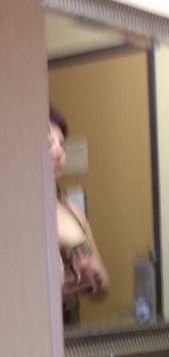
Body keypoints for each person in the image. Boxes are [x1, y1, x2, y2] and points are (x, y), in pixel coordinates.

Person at [49, 107, 109, 321]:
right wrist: (58, 291)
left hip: (72, 332)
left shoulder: (72, 211)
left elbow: (103, 287)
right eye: (48, 144)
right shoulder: (13, 215)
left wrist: (94, 278)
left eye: (61, 144)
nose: (59, 152)